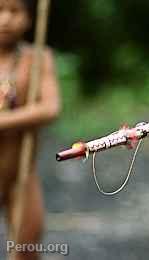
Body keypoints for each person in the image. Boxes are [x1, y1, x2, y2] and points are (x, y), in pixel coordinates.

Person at [0, 0, 60, 259]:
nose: (5, 19)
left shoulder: (37, 59)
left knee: (26, 250)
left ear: (29, 18)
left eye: (14, 11)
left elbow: (50, 107)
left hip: (20, 175)